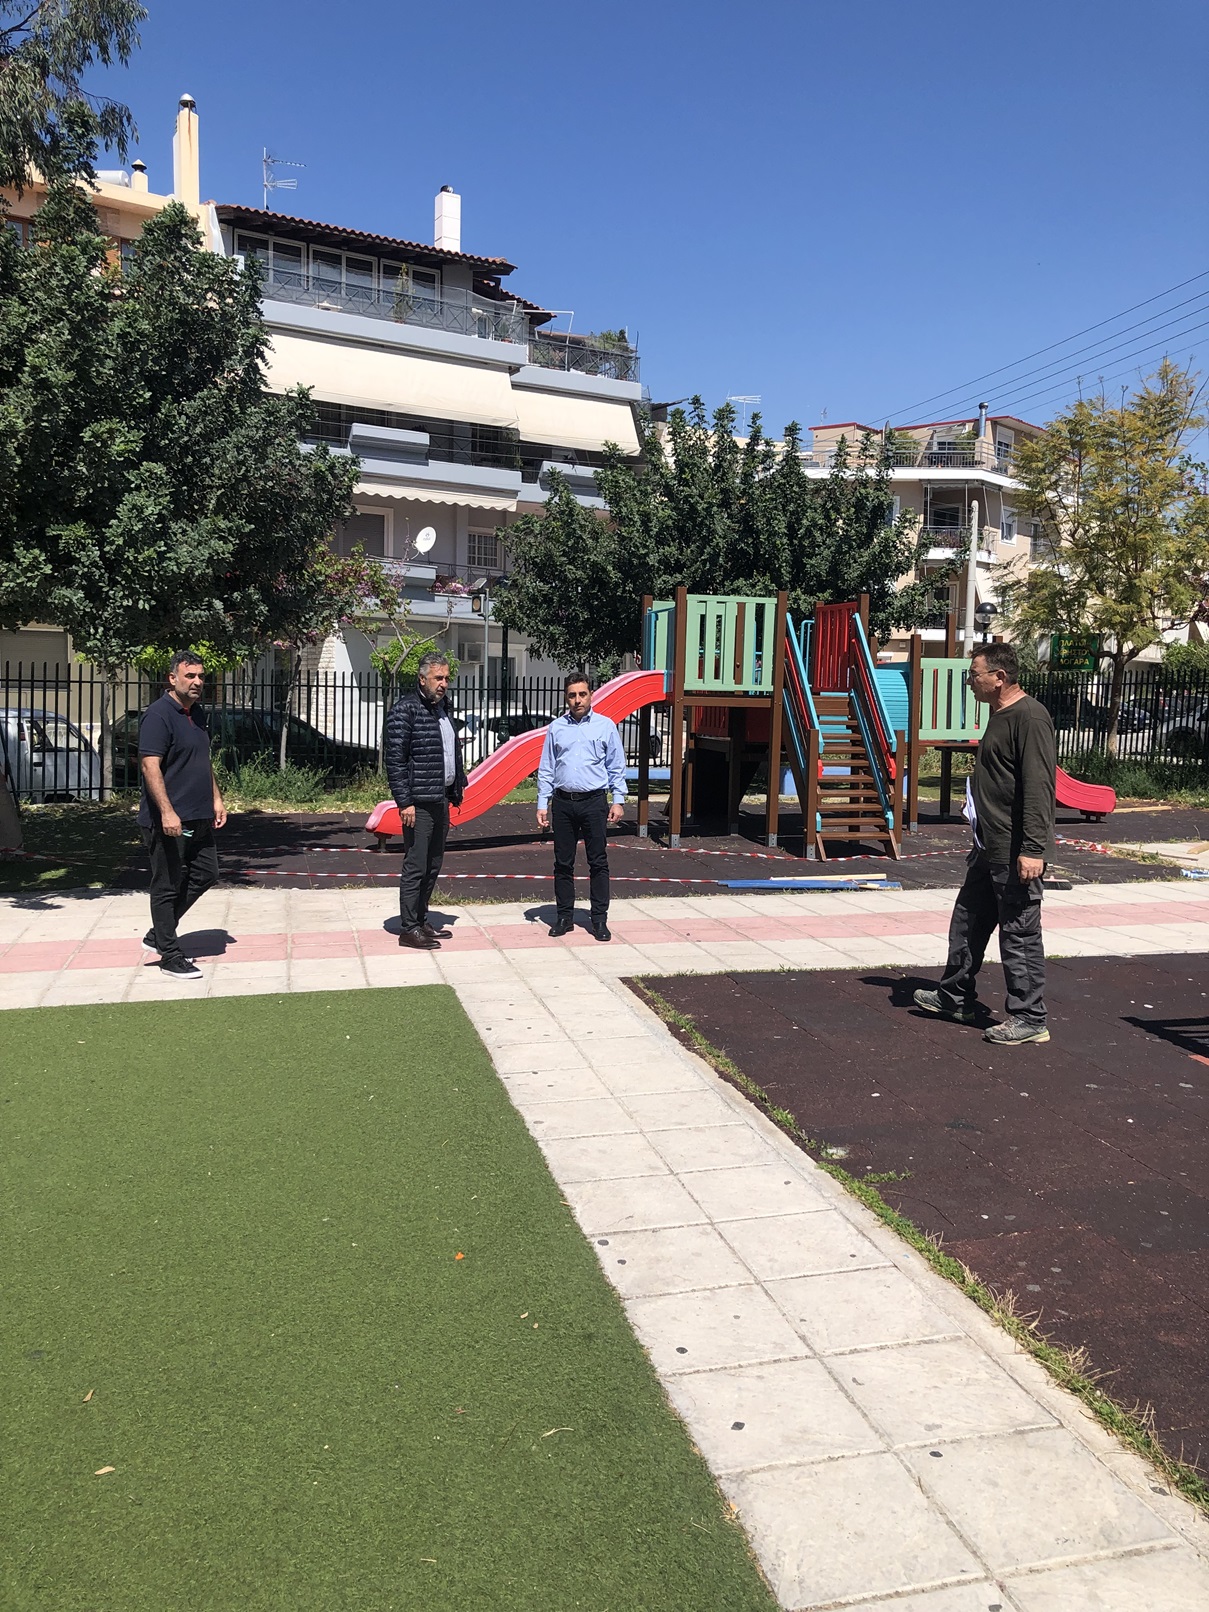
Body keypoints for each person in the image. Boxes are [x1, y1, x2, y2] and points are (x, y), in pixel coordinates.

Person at [914, 642, 1056, 1045]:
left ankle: (1030, 1017)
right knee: (968, 920)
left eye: (973, 674)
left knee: (1019, 932)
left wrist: (1033, 849)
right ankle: (955, 996)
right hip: (988, 844)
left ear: (999, 677)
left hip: (1014, 849)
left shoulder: (1030, 717)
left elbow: (1039, 788)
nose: (969, 682)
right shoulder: (999, 714)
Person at [138, 650, 227, 981]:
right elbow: (150, 766)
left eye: (201, 676)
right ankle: (170, 955)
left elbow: (202, 759)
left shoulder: (197, 713)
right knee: (167, 884)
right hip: (169, 820)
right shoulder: (158, 715)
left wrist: (216, 798)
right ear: (172, 678)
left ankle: (158, 934)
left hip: (198, 815)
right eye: (190, 676)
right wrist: (167, 812)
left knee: (206, 872)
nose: (197, 682)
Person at [384, 651, 466, 950]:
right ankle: (408, 929)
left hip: (440, 797)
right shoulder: (405, 710)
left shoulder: (443, 709)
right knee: (416, 864)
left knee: (433, 864)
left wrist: (456, 787)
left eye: (446, 678)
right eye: (438, 678)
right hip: (418, 803)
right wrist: (404, 802)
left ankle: (421, 920)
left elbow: (449, 752)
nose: (443, 683)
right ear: (422, 679)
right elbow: (395, 761)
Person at [536, 673, 627, 942]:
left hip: (593, 802)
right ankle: (564, 916)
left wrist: (618, 799)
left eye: (582, 694)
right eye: (572, 695)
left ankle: (599, 919)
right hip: (563, 803)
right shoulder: (556, 728)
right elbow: (547, 767)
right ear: (566, 698)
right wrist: (542, 803)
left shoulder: (605, 726)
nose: (577, 700)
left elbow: (616, 765)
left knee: (597, 861)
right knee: (563, 863)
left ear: (591, 695)